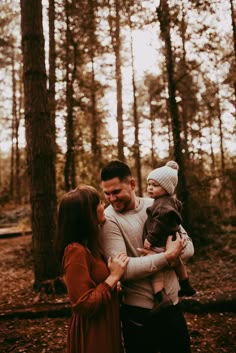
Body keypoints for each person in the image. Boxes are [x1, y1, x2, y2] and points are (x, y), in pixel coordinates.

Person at [100, 160, 194, 353]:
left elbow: (189, 248)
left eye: (116, 191)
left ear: (132, 184)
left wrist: (167, 255)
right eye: (107, 193)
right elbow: (123, 271)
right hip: (139, 314)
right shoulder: (109, 220)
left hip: (173, 307)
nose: (111, 198)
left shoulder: (158, 205)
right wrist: (167, 257)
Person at [55, 185, 129, 353]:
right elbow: (83, 304)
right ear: (87, 214)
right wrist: (112, 278)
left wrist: (111, 286)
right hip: (93, 333)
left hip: (106, 324)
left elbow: (96, 286)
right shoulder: (75, 251)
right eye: (100, 203)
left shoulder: (90, 245)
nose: (104, 206)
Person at [143, 160, 195, 314]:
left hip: (160, 242)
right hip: (171, 239)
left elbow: (160, 224)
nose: (150, 188)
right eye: (149, 184)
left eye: (155, 185)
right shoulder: (170, 202)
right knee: (176, 261)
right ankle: (185, 283)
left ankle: (160, 296)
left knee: (154, 266)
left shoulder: (162, 205)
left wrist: (150, 239)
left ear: (166, 187)